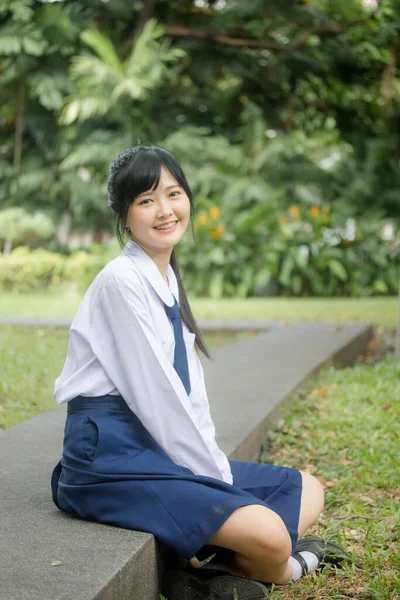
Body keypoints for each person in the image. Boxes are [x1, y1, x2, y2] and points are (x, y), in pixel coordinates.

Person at [51, 145, 347, 600]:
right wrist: (213, 478)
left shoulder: (165, 277)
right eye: (146, 200)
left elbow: (190, 395)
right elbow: (158, 398)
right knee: (270, 534)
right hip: (113, 457)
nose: (165, 210)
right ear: (123, 214)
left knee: (308, 489)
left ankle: (207, 570)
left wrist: (215, 472)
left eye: (174, 193)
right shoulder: (120, 280)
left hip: (160, 447)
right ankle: (287, 569)